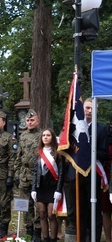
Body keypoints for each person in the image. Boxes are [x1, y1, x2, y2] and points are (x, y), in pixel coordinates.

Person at [65, 98, 108, 241]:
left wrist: (88, 153)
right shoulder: (74, 127)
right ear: (82, 109)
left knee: (94, 212)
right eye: (87, 108)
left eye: (92, 108)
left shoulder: (101, 129)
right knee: (78, 212)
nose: (89, 111)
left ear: (96, 111)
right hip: (75, 175)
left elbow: (104, 154)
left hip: (93, 175)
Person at [31, 129, 64, 242]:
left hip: (53, 188)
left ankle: (53, 239)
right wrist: (33, 188)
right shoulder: (38, 152)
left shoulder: (58, 153)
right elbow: (35, 172)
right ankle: (45, 238)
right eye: (43, 135)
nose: (45, 137)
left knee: (51, 215)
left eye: (48, 135)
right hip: (41, 187)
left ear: (52, 137)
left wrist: (59, 190)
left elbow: (61, 172)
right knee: (42, 214)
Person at [14, 109, 42, 239]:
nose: (29, 122)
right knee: (25, 203)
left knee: (38, 204)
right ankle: (29, 229)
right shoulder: (23, 136)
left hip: (38, 174)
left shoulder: (43, 135)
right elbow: (19, 156)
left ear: (38, 121)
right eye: (28, 120)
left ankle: (38, 229)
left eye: (32, 120)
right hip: (24, 174)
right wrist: (16, 173)